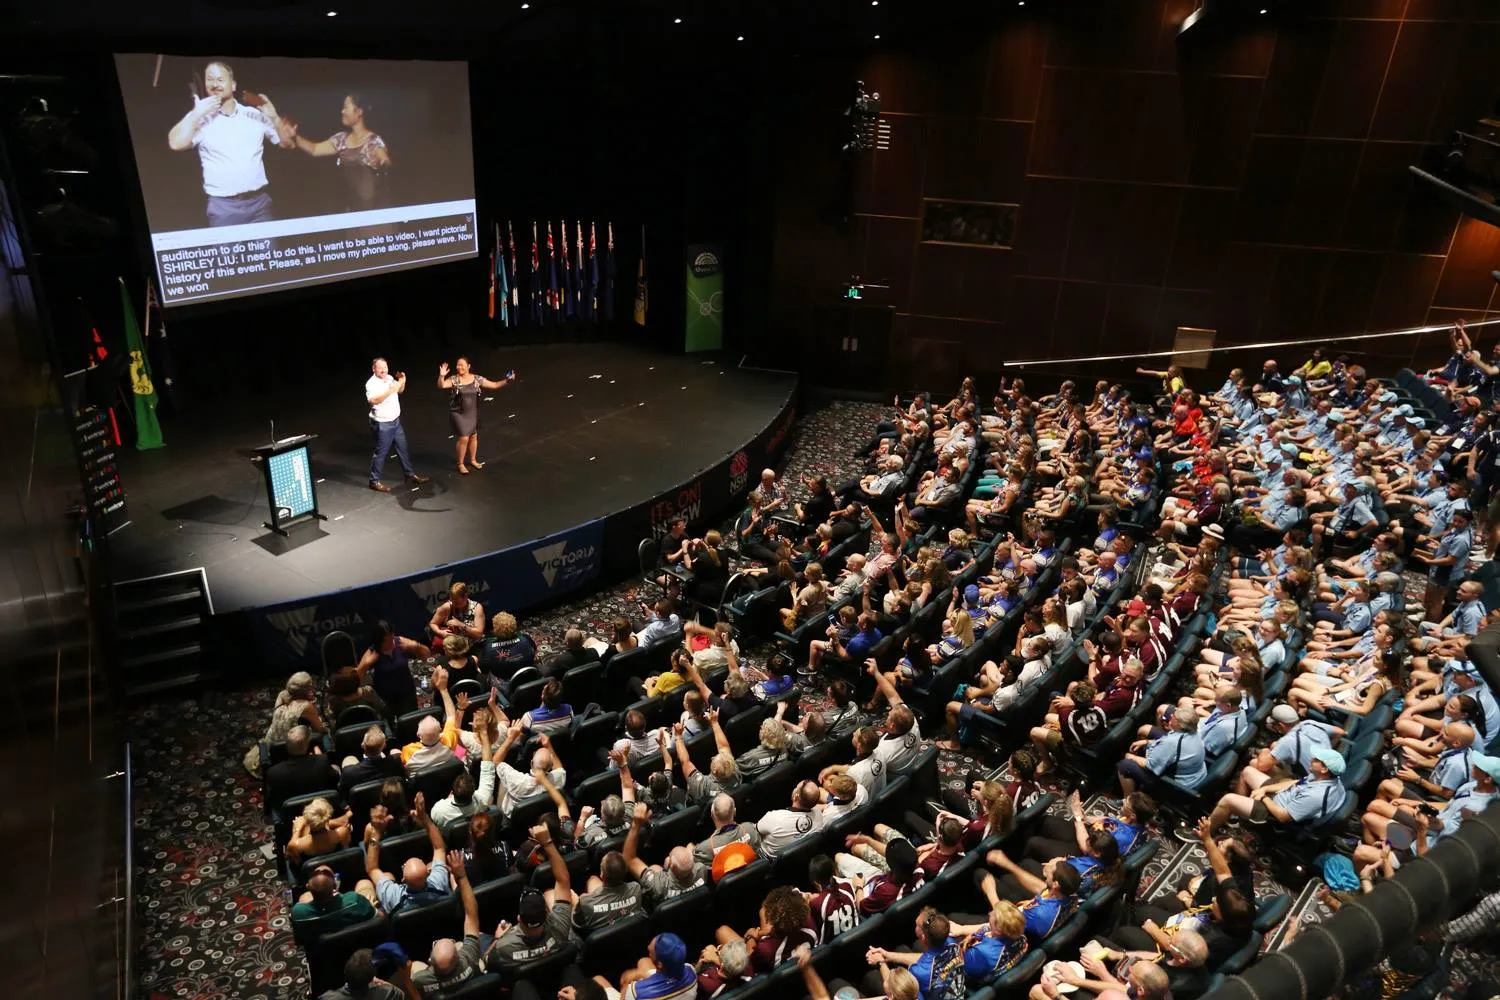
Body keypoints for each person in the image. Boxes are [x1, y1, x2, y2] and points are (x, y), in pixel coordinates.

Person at [166, 60, 293, 226]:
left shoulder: (253, 114)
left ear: (233, 85)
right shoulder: (201, 118)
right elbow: (175, 144)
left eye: (220, 79)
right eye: (210, 79)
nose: (215, 84)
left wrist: (275, 117)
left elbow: (287, 144)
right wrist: (196, 114)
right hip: (223, 208)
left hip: (259, 204)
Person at [286, 92, 392, 211]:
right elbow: (314, 149)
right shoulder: (341, 140)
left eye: (346, 107)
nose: (342, 111)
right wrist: (295, 137)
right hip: (351, 211)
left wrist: (384, 162)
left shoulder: (373, 141)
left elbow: (384, 160)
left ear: (359, 112)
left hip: (374, 212)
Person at [437, 358, 515, 474]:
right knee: (464, 437)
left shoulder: (476, 379)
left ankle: (473, 460)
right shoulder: (454, 379)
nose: (459, 367)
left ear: (468, 366)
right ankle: (460, 464)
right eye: (458, 365)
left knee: (473, 436)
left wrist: (507, 380)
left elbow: (494, 385)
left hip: (472, 413)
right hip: (458, 413)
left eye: (462, 365)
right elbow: (441, 385)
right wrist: (441, 376)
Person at [366, 357, 429, 492]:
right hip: (382, 424)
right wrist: (391, 389)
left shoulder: (389, 378)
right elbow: (373, 400)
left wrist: (402, 382)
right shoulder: (371, 384)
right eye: (380, 367)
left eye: (385, 367)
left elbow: (399, 391)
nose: (383, 370)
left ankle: (409, 474)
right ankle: (374, 481)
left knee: (403, 448)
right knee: (381, 453)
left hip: (395, 421)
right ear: (373, 369)